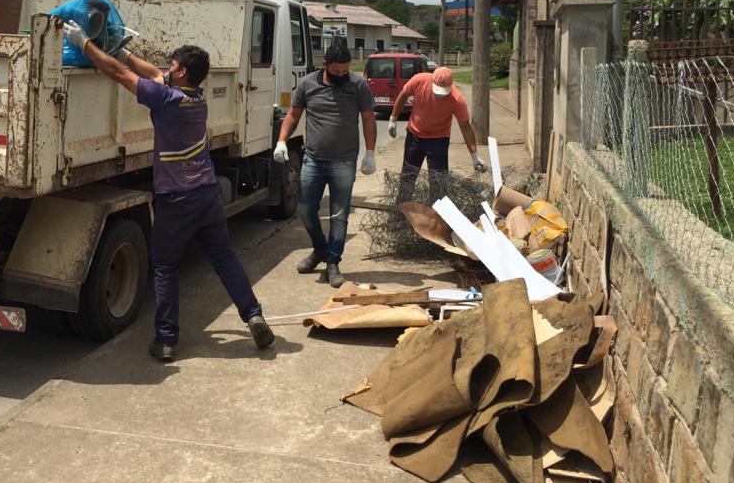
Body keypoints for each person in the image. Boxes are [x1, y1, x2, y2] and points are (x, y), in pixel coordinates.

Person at [63, 19, 274, 362]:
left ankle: (166, 340)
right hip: (207, 193)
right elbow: (151, 74)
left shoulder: (165, 100)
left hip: (176, 199)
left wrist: (85, 43)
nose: (166, 69)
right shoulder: (195, 97)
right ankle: (253, 315)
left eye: (172, 65)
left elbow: (118, 75)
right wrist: (128, 53)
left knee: (165, 268)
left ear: (181, 72)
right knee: (224, 258)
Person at [273, 41, 376, 288]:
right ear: (325, 64)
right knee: (306, 210)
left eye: (345, 70)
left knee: (339, 215)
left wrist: (370, 152)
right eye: (337, 71)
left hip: (344, 161)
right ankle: (319, 249)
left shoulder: (358, 85)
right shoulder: (308, 84)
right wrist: (282, 141)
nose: (342, 75)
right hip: (313, 159)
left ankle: (333, 262)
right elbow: (293, 115)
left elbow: (368, 118)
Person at [388, 65, 487, 202]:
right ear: (431, 80)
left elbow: (465, 127)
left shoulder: (457, 99)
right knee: (408, 177)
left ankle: (437, 215)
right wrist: (393, 118)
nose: (440, 94)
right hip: (414, 137)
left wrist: (474, 156)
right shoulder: (419, 80)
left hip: (438, 141)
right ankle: (401, 211)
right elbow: (403, 95)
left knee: (438, 182)